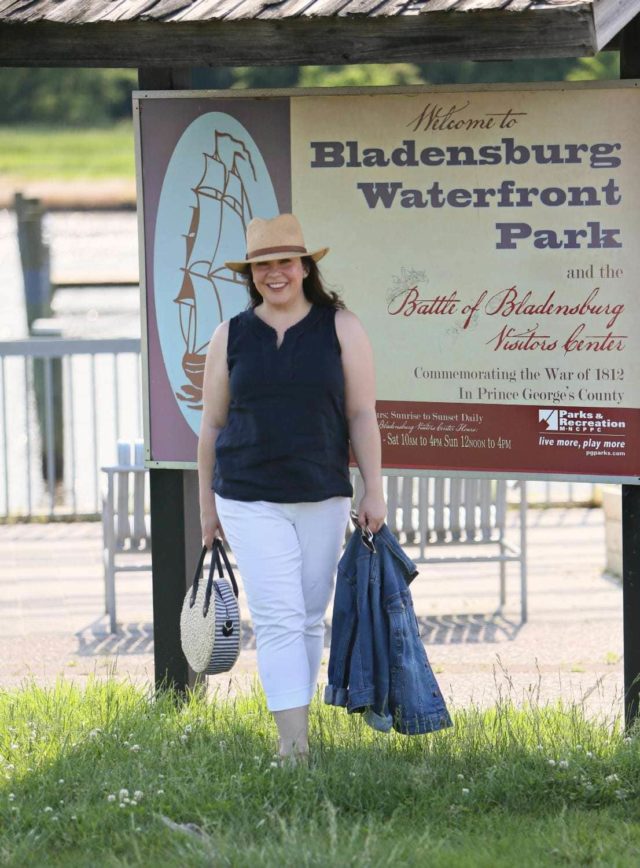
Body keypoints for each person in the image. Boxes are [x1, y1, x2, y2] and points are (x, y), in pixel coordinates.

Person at [197, 213, 385, 761]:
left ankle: (296, 725)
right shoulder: (229, 334)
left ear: (304, 267)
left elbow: (363, 416)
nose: (274, 273)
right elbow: (211, 426)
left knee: (306, 616)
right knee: (278, 616)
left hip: (323, 494)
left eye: (284, 262)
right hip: (246, 495)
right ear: (250, 274)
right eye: (262, 266)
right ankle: (292, 747)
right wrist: (206, 505)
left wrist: (375, 490)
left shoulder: (342, 327)